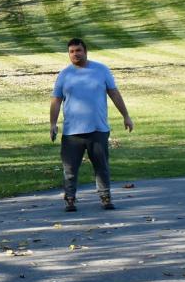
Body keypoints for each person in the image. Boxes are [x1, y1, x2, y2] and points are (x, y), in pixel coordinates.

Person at [49, 37, 134, 212]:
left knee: (101, 166)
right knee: (70, 169)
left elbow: (114, 93)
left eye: (78, 50)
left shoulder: (101, 70)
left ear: (85, 51)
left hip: (98, 129)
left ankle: (105, 197)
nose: (75, 54)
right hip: (72, 132)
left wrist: (126, 116)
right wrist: (53, 123)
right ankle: (70, 199)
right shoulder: (64, 74)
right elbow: (56, 100)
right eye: (72, 52)